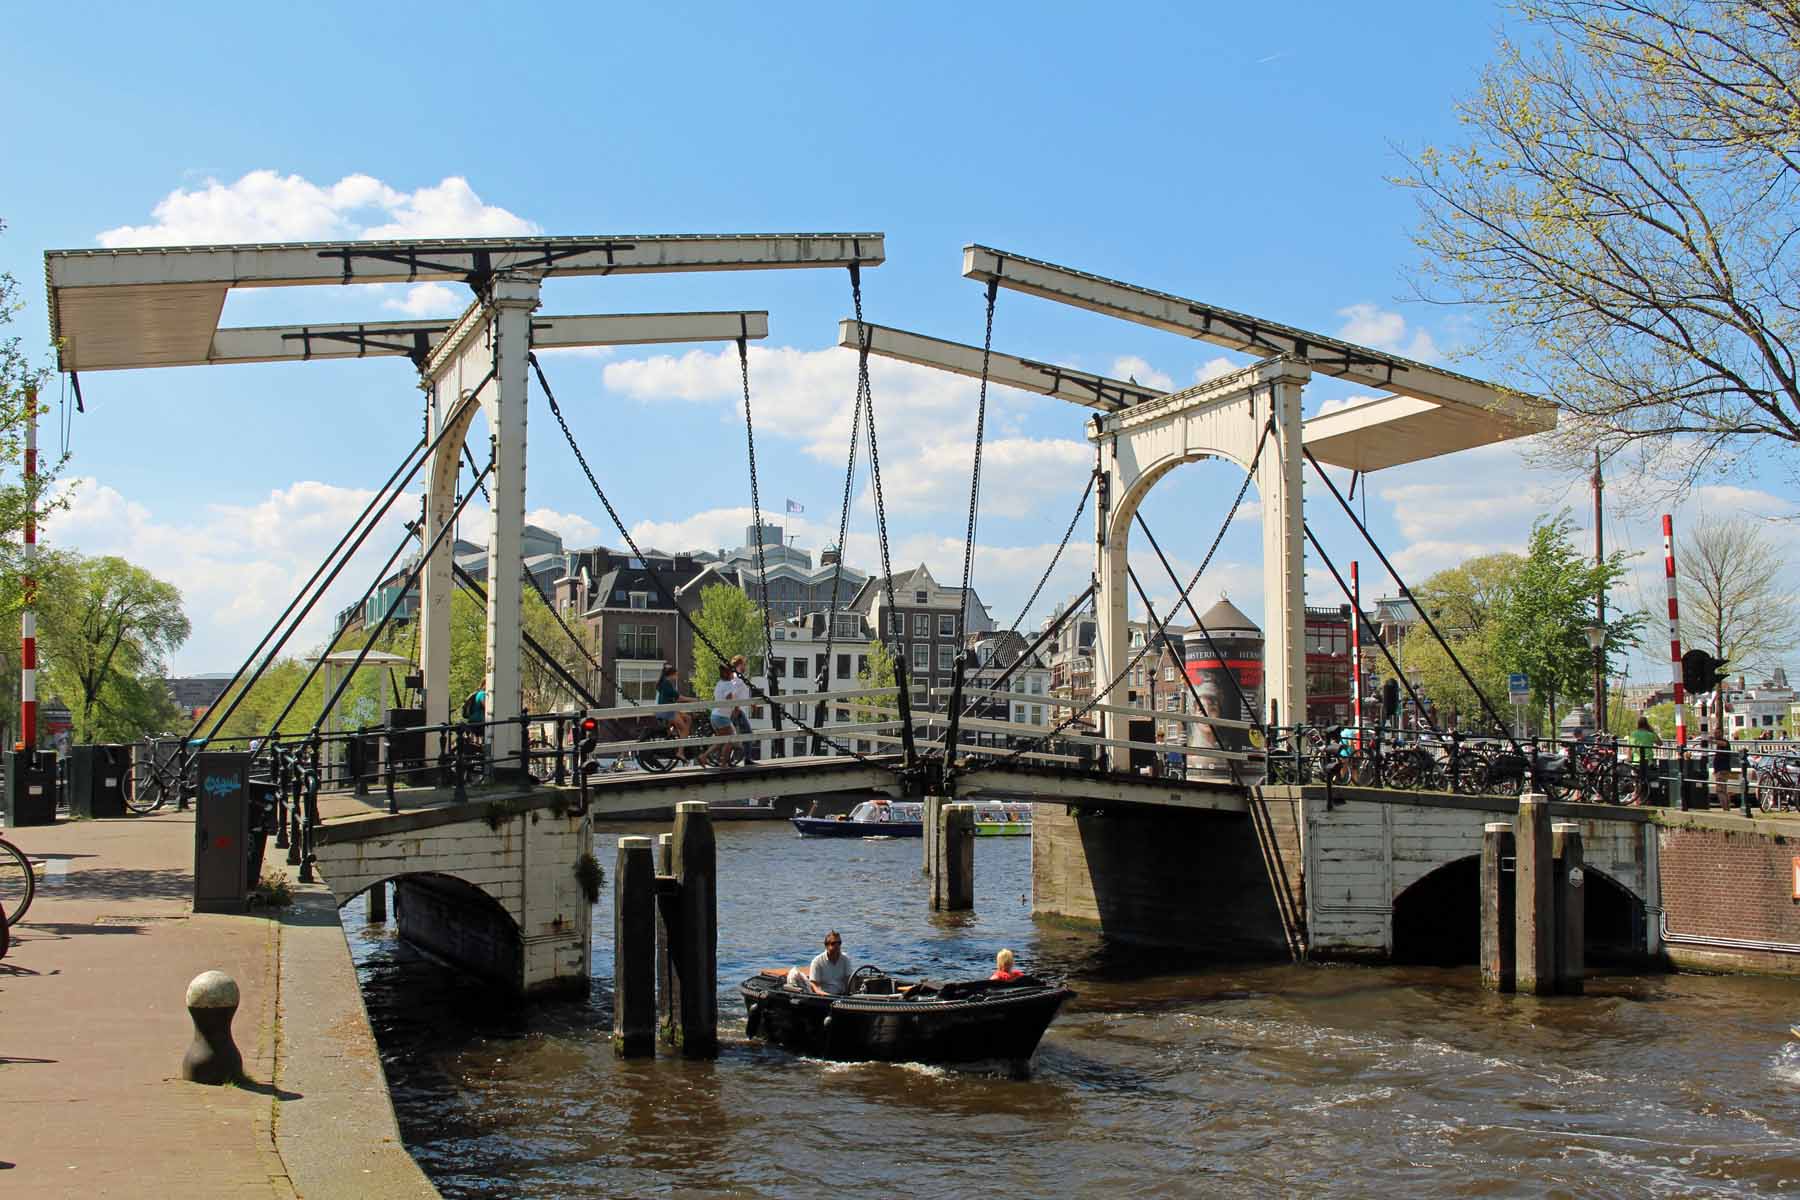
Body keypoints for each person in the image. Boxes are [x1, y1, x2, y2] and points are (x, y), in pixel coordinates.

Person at [701, 661, 740, 768]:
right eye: (732, 672)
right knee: (730, 739)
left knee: (721, 740)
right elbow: (728, 698)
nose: (733, 674)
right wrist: (735, 704)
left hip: (714, 715)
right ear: (728, 673)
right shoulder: (729, 684)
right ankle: (723, 764)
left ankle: (704, 756)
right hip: (722, 716)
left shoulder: (719, 683)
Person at [654, 664, 695, 754]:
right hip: (667, 711)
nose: (677, 676)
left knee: (688, 718)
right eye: (676, 674)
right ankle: (680, 752)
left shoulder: (662, 682)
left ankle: (681, 737)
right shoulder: (666, 684)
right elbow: (679, 698)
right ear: (671, 674)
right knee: (684, 729)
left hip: (666, 710)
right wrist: (694, 700)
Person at [729, 654, 759, 764]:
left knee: (731, 734)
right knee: (747, 733)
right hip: (736, 710)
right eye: (744, 664)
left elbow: (742, 693)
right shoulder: (738, 678)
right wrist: (736, 708)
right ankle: (747, 758)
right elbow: (734, 693)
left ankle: (731, 759)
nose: (745, 666)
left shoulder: (736, 676)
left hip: (736, 709)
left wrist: (751, 703)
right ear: (740, 664)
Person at [809, 931, 853, 995]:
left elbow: (850, 980)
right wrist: (824, 994)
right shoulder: (817, 961)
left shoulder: (845, 959)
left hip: (842, 995)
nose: (837, 946)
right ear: (826, 945)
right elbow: (814, 985)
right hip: (824, 996)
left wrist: (849, 994)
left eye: (839, 943)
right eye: (833, 943)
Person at [1628, 715, 1658, 804]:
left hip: (1636, 760)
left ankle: (1636, 800)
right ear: (1646, 724)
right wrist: (1652, 731)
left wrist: (1629, 759)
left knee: (1636, 780)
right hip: (1648, 761)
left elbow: (1629, 748)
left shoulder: (1633, 734)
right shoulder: (1650, 734)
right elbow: (1660, 743)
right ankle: (1646, 799)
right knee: (1646, 780)